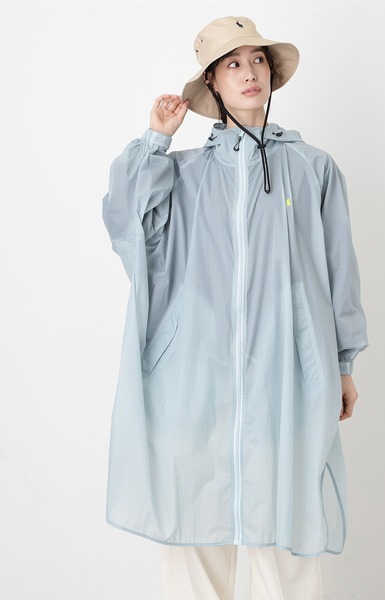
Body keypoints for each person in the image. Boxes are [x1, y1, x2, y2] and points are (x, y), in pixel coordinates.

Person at [102, 16, 368, 600]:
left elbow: (339, 271)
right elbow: (127, 222)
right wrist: (155, 141)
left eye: (258, 60)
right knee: (196, 543)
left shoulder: (313, 168)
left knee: (289, 544)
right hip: (193, 383)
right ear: (212, 83)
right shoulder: (182, 174)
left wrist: (343, 363)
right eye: (233, 64)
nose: (250, 73)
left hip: (287, 378)